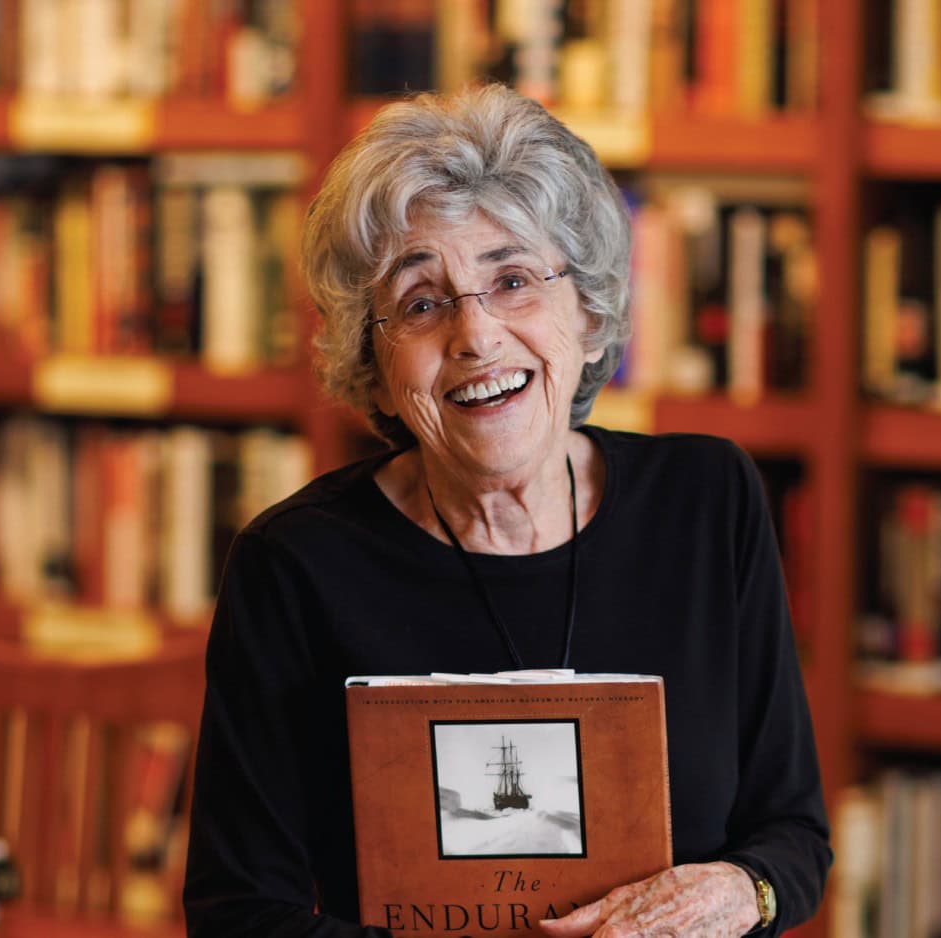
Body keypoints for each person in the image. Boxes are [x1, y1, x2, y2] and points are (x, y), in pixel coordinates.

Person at [183, 83, 831, 937]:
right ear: (373, 366)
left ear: (591, 315)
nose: (476, 335)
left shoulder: (707, 504)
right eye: (421, 302)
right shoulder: (296, 566)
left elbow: (793, 838)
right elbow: (240, 917)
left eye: (514, 279)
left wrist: (736, 894)